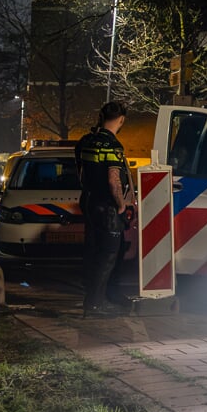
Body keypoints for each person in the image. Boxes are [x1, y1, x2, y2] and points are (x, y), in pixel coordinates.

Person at [76, 100, 135, 317]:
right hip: (108, 206)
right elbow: (114, 181)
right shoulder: (113, 146)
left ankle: (101, 298)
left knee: (95, 253)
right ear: (121, 120)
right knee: (108, 255)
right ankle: (94, 304)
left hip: (90, 201)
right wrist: (121, 205)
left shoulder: (85, 141)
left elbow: (81, 174)